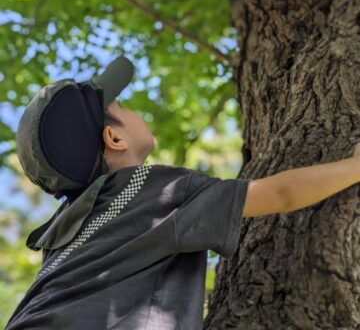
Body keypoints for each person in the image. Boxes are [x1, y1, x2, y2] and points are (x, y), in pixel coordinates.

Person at [4, 54, 360, 330]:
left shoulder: (61, 237)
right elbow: (279, 194)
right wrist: (353, 167)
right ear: (113, 138)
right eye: (122, 107)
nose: (131, 108)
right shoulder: (151, 189)